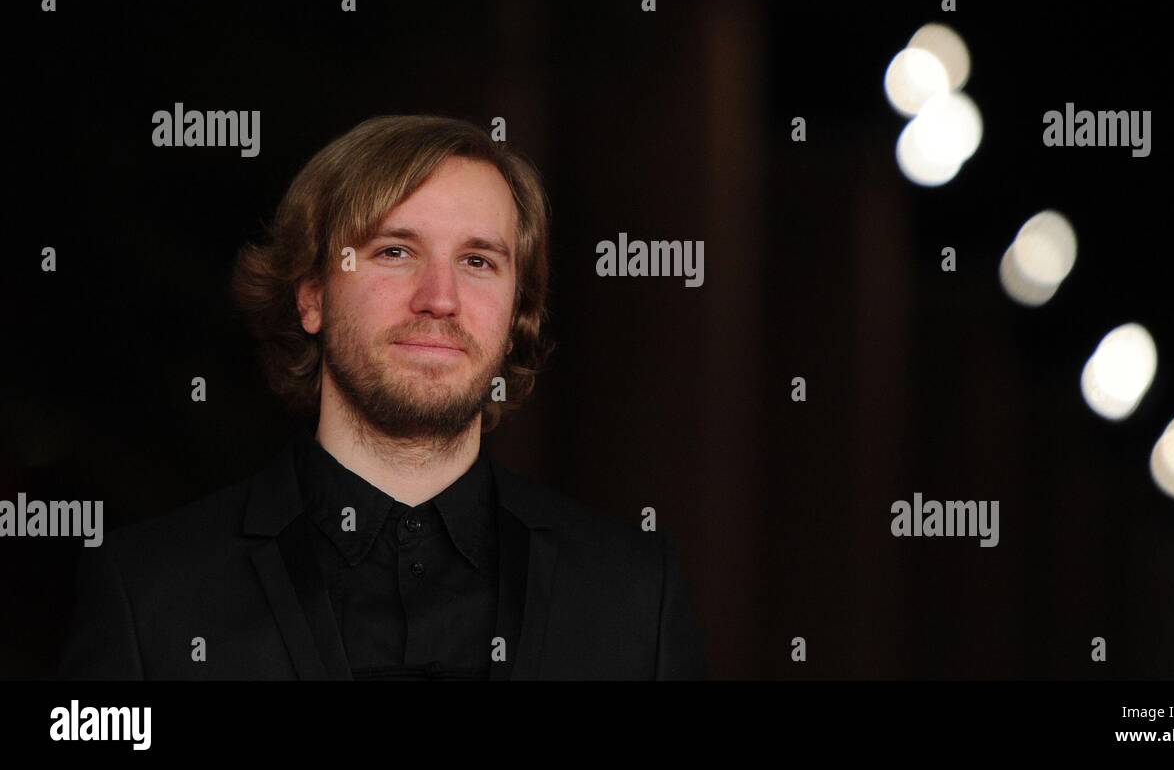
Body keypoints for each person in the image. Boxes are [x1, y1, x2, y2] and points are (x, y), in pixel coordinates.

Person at [58, 115, 708, 680]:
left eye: (479, 261)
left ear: (517, 315)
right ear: (312, 294)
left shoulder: (632, 595)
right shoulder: (149, 594)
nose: (440, 298)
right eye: (395, 251)